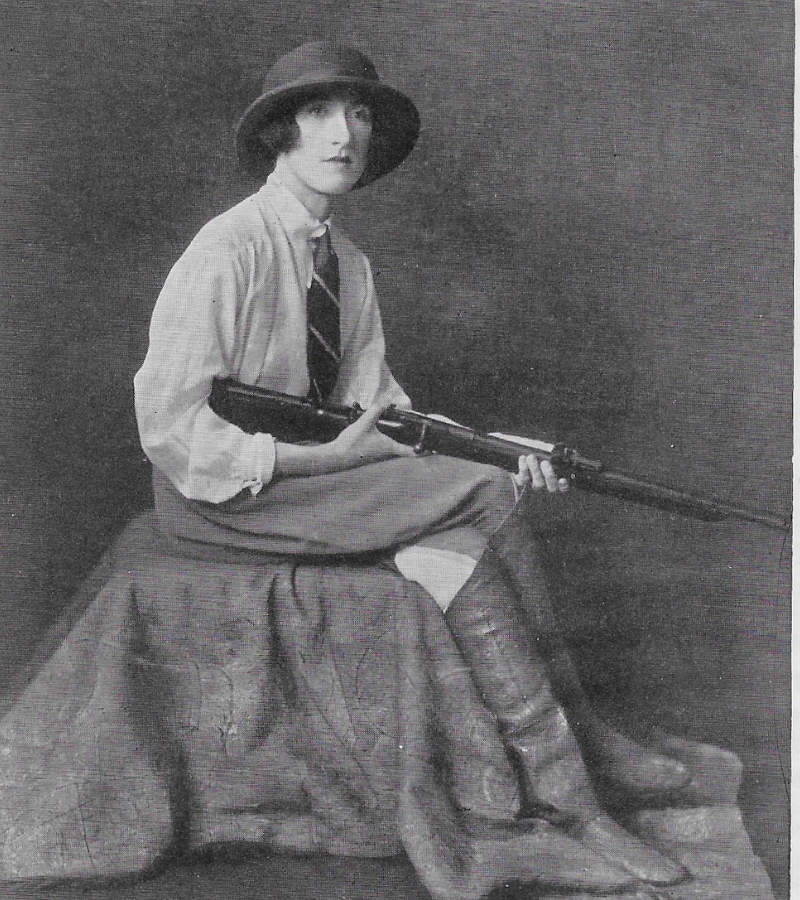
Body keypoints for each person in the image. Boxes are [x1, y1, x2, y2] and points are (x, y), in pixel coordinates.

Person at [134, 41, 693, 893]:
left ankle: (572, 774)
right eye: (320, 113)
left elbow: (386, 416)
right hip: (222, 489)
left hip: (318, 474)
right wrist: (312, 458)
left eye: (359, 114)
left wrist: (510, 448)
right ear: (282, 133)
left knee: (477, 504)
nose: (343, 134)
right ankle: (578, 781)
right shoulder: (230, 249)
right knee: (472, 491)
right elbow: (167, 421)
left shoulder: (347, 265)